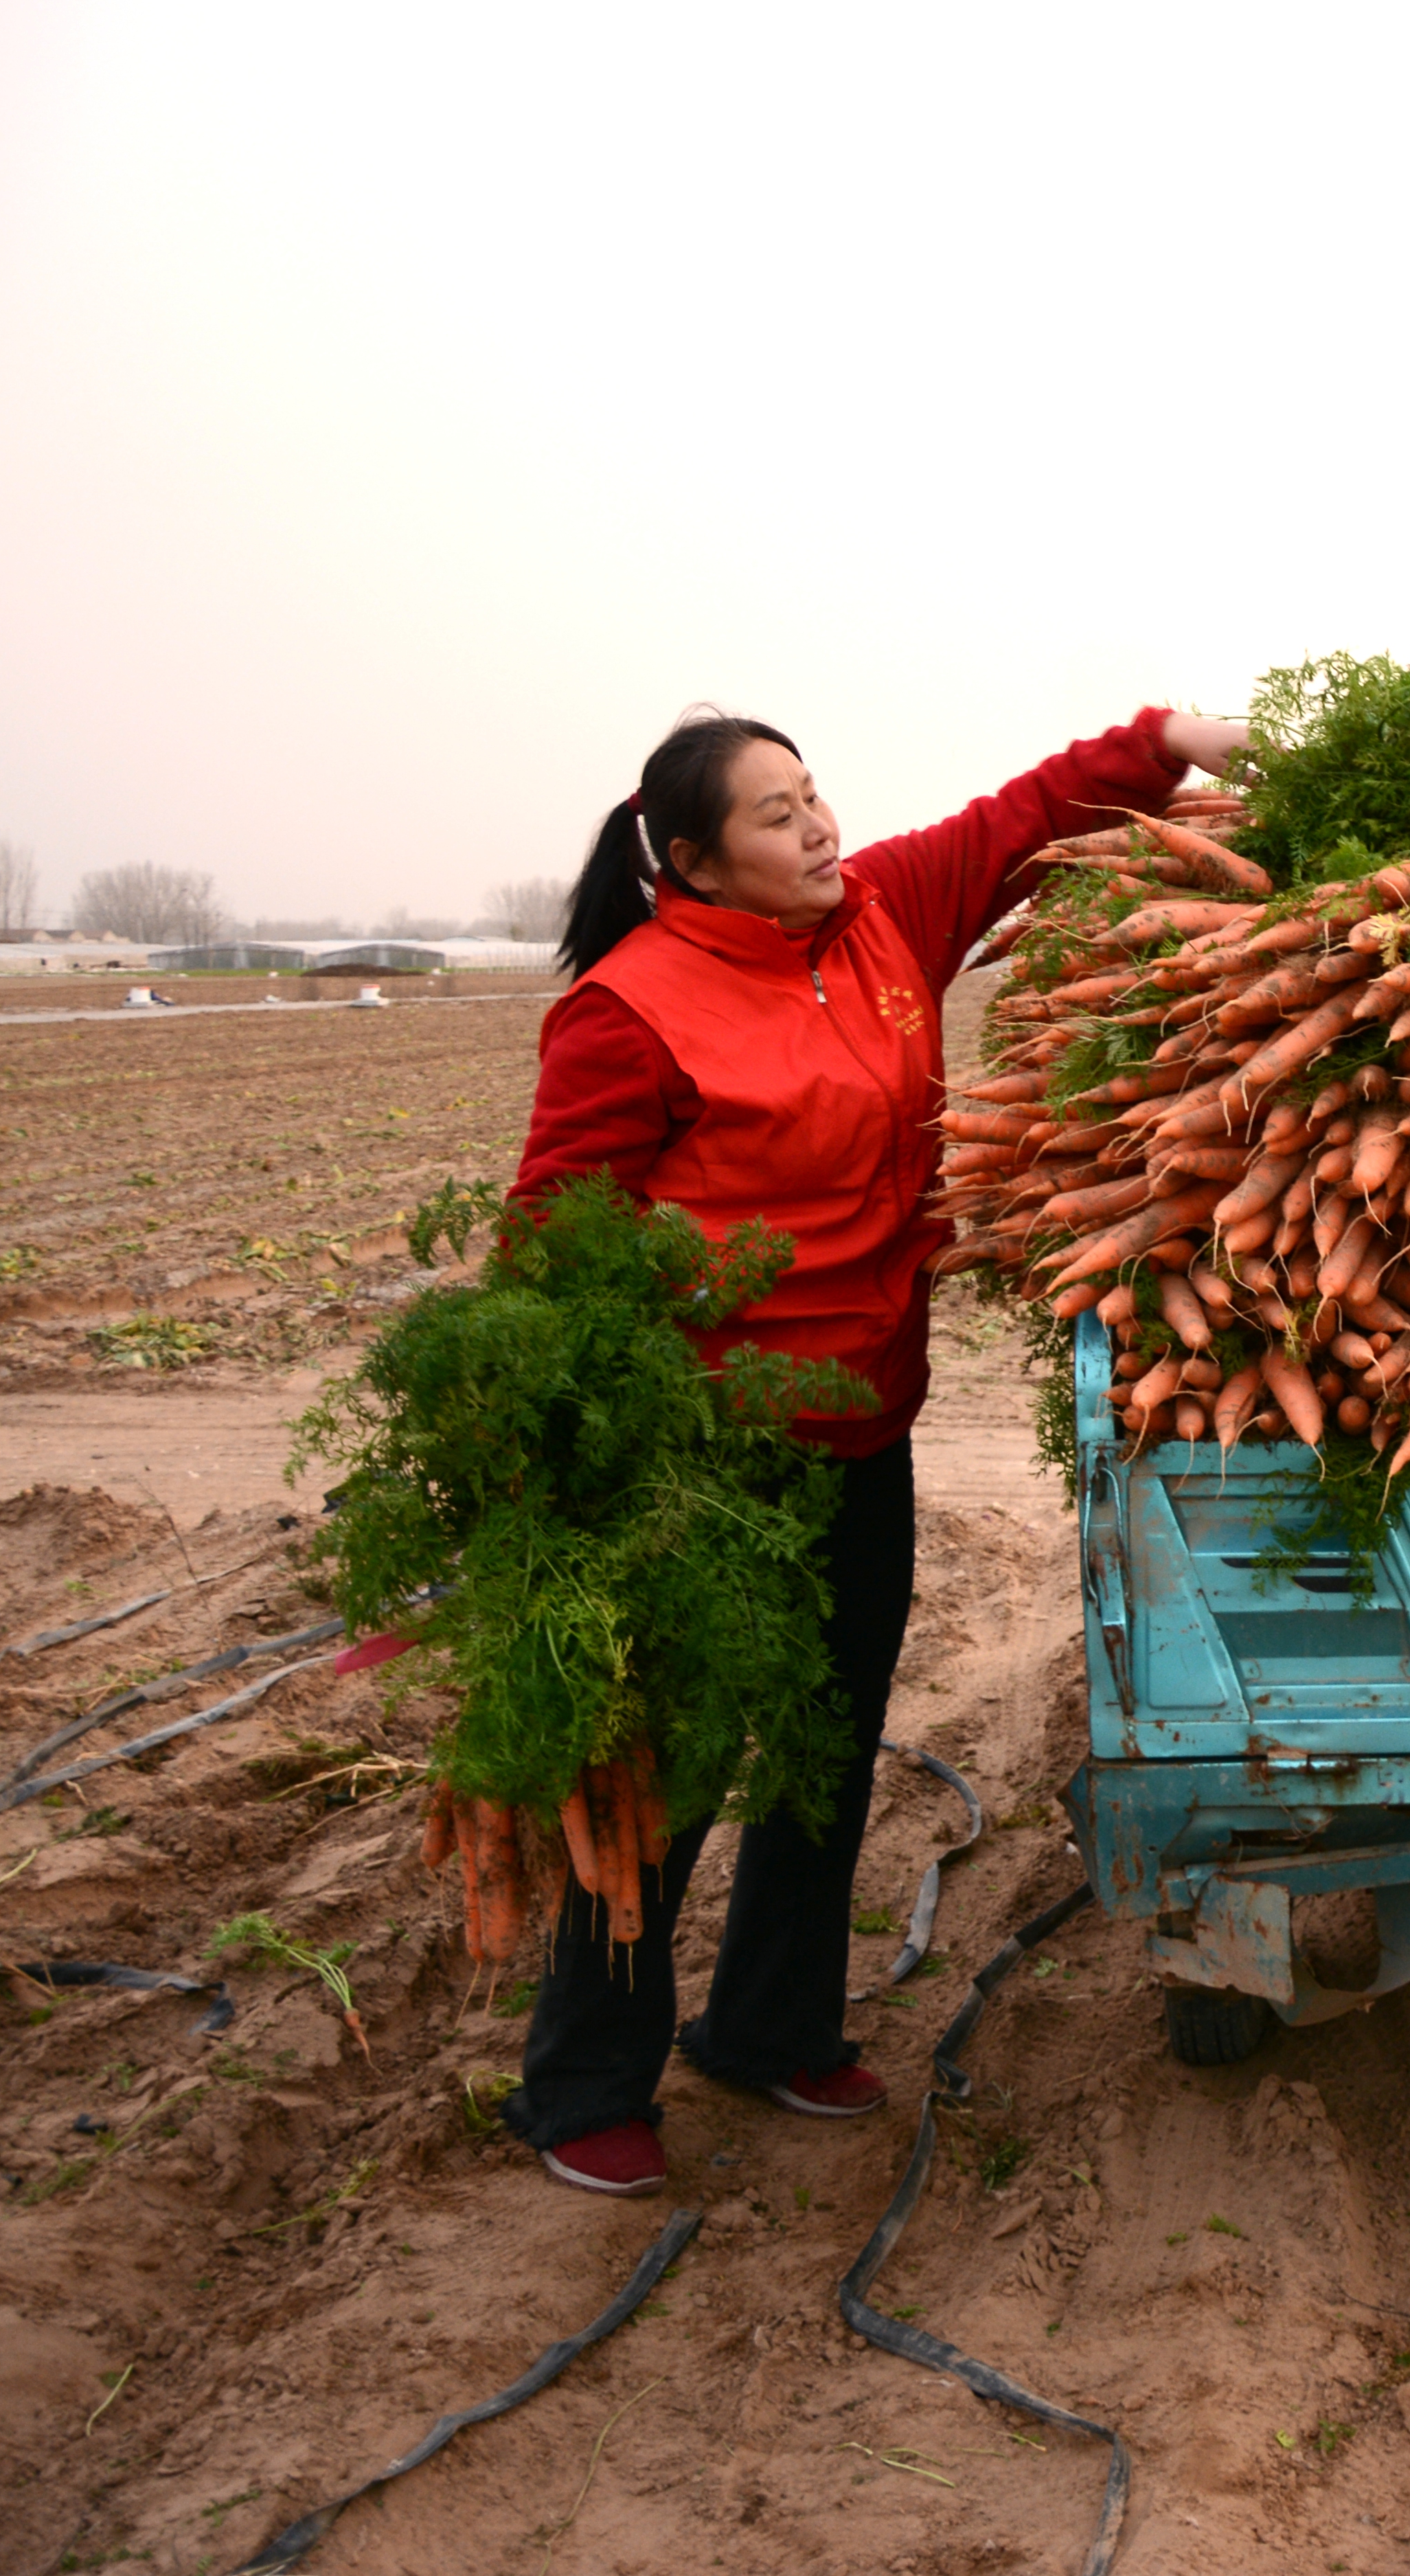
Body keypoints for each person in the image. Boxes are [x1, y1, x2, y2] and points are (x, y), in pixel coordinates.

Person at [502, 699, 1246, 2193]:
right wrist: (563, 1461)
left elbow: (1022, 817)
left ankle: (768, 2029)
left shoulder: (885, 914)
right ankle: (586, 2078)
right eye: (777, 816)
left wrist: (1174, 734)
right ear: (696, 863)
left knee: (830, 1740)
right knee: (671, 1762)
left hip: (862, 1420)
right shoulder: (630, 1008)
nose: (818, 826)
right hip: (706, 1452)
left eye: (816, 794)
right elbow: (550, 1244)